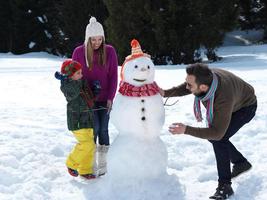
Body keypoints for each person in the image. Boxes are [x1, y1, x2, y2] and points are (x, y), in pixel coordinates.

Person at [160, 63, 257, 199]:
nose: (187, 88)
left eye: (190, 85)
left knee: (218, 139)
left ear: (204, 87)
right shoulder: (205, 78)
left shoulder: (223, 97)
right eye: (187, 83)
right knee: (215, 137)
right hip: (234, 101)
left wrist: (186, 129)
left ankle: (225, 186)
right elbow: (188, 86)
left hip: (245, 107)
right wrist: (165, 93)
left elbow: (217, 133)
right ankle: (240, 163)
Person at [72, 16, 118, 176]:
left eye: (100, 39)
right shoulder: (79, 52)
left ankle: (103, 165)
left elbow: (113, 76)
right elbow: (74, 76)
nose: (97, 42)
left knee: (104, 129)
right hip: (87, 100)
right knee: (94, 130)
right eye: (93, 39)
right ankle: (88, 163)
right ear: (88, 38)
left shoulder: (110, 51)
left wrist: (111, 97)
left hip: (105, 99)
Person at [55, 59, 96, 179]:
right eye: (78, 73)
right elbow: (72, 94)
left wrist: (95, 91)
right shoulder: (66, 85)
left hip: (87, 119)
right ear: (70, 75)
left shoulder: (80, 81)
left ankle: (85, 170)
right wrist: (67, 79)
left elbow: (88, 98)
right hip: (77, 120)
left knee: (90, 145)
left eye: (81, 72)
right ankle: (71, 163)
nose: (81, 75)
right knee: (86, 144)